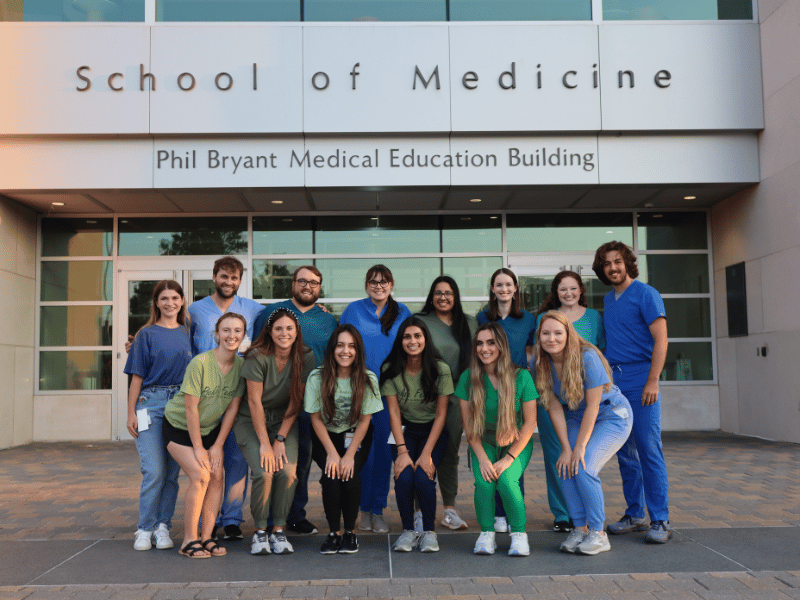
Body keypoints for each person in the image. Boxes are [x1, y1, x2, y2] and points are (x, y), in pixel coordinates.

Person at [477, 268, 571, 533]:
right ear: (493, 289)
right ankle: (498, 514)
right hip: (493, 389)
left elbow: (534, 355)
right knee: (494, 447)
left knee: (513, 451)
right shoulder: (483, 317)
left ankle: (512, 508)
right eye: (499, 285)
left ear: (515, 288)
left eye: (508, 284)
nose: (504, 289)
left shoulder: (529, 319)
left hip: (519, 390)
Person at [533, 311, 633, 555]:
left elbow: (594, 406)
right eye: (546, 333)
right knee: (566, 466)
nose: (552, 338)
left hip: (611, 415)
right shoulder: (539, 363)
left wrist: (578, 448)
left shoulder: (586, 356)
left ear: (568, 334)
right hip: (577, 415)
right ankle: (579, 528)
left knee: (584, 465)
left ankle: (598, 534)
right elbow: (554, 406)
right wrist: (567, 448)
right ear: (539, 336)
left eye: (558, 333)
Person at [592, 241, 671, 543]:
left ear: (627, 263)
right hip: (616, 380)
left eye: (617, 262)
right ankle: (636, 513)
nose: (612, 268)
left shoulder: (646, 294)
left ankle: (660, 519)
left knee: (648, 449)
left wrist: (653, 379)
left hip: (642, 378)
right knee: (624, 451)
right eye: (607, 264)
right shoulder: (610, 300)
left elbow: (661, 340)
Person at [252, 265, 338, 536]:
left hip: (315, 402)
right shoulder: (271, 313)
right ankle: (278, 516)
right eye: (302, 281)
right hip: (279, 402)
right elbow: (255, 349)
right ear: (292, 284)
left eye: (314, 282)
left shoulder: (328, 320)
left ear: (319, 287)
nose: (307, 286)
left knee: (308, 458)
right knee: (283, 462)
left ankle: (299, 514)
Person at [188, 256, 265, 541]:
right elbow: (175, 335)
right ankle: (202, 517)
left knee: (235, 458)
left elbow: (284, 318)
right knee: (205, 458)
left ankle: (231, 519)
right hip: (205, 393)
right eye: (223, 276)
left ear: (240, 281)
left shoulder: (253, 309)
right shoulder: (195, 310)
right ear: (214, 276)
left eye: (234, 278)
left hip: (237, 391)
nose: (228, 282)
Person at [163, 312, 246, 558]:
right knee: (200, 475)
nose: (232, 335)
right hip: (178, 427)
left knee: (217, 475)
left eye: (237, 331)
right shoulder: (200, 363)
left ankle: (207, 537)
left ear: (243, 335)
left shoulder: (241, 366)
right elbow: (190, 408)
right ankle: (188, 540)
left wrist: (218, 444)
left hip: (210, 430)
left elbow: (232, 407)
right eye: (226, 330)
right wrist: (199, 447)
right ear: (217, 334)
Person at [236, 308, 315, 555]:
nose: (284, 333)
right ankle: (260, 531)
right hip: (251, 420)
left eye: (289, 328)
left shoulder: (306, 355)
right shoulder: (257, 356)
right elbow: (254, 402)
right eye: (278, 328)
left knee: (288, 472)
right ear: (270, 331)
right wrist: (265, 443)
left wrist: (280, 437)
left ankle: (278, 531)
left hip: (284, 420)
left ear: (296, 331)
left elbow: (297, 399)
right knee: (264, 472)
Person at [455, 322, 538, 557]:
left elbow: (530, 423)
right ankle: (487, 533)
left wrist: (509, 458)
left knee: (506, 480)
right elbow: (469, 426)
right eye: (479, 343)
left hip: (517, 441)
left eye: (491, 342)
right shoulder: (468, 378)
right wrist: (481, 458)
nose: (484, 348)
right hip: (484, 441)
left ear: (501, 346)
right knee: (484, 481)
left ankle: (519, 535)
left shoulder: (522, 376)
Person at [340, 265, 412, 534]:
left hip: (389, 394)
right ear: (366, 284)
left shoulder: (402, 312)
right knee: (360, 454)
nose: (378, 286)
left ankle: (377, 510)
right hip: (357, 391)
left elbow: (412, 348)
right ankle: (361, 510)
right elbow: (341, 345)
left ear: (392, 285)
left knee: (382, 455)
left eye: (383, 282)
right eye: (373, 281)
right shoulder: (353, 310)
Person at [124, 280, 193, 552]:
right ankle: (145, 527)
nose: (170, 303)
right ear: (156, 303)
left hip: (179, 406)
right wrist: (130, 412)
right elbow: (136, 376)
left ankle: (163, 526)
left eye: (174, 297)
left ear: (182, 300)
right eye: (164, 298)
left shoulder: (188, 332)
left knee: (172, 474)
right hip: (149, 404)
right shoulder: (146, 335)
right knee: (154, 470)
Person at [304, 324, 382, 555]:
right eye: (340, 345)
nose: (345, 351)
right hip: (325, 437)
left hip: (355, 436)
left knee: (349, 475)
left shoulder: (367, 378)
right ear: (332, 349)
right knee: (331, 476)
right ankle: (333, 533)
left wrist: (348, 456)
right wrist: (333, 454)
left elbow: (366, 420)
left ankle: (350, 533)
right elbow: (315, 419)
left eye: (351, 346)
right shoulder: (317, 377)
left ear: (358, 351)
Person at [382, 317, 452, 553]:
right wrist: (402, 451)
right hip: (404, 431)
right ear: (401, 341)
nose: (413, 341)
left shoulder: (440, 369)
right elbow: (393, 412)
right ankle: (408, 531)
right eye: (407, 336)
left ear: (425, 339)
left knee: (423, 476)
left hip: (433, 431)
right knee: (403, 477)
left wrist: (426, 453)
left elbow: (442, 415)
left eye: (417, 336)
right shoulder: (390, 369)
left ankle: (429, 532)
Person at [416, 276, 477, 531]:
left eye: (449, 293)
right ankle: (420, 511)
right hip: (427, 396)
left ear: (456, 296)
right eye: (439, 293)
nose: (443, 297)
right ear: (432, 296)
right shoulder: (420, 322)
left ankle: (449, 509)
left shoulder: (470, 323)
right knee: (423, 451)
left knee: (450, 452)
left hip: (458, 396)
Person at [535, 271, 604, 349]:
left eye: (573, 288)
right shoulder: (544, 317)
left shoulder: (594, 316)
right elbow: (538, 350)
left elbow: (601, 350)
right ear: (556, 292)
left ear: (580, 290)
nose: (568, 293)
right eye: (563, 289)